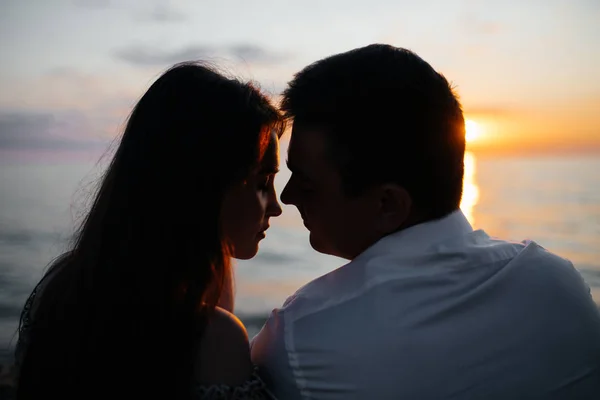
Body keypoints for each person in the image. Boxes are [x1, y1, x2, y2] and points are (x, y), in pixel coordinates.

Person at [251, 44, 600, 399]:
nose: (289, 197)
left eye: (307, 184)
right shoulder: (558, 285)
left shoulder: (302, 336)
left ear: (388, 204)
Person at [15, 62, 284, 399]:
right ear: (205, 185)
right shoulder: (212, 336)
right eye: (263, 182)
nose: (276, 205)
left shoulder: (61, 287)